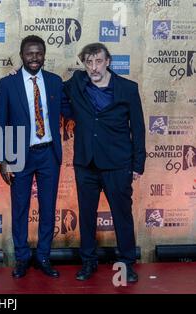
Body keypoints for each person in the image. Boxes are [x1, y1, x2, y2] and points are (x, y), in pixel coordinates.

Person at [63, 42, 146, 283]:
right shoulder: (77, 83)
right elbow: (51, 90)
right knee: (86, 216)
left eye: (98, 61)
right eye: (88, 62)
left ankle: (127, 263)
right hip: (86, 163)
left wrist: (137, 164)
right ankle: (88, 262)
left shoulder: (127, 89)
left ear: (108, 61)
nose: (93, 67)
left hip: (118, 164)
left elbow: (138, 129)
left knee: (122, 216)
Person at [0, 35, 71, 278]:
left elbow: (68, 109)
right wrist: (4, 159)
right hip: (20, 154)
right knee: (20, 208)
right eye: (30, 53)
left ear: (44, 55)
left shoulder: (55, 81)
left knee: (48, 208)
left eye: (39, 53)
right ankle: (21, 258)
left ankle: (43, 257)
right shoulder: (7, 84)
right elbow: (2, 122)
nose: (35, 58)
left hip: (48, 153)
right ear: (22, 55)